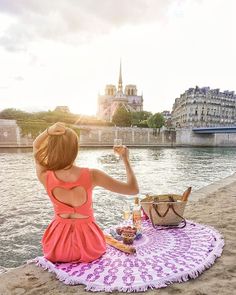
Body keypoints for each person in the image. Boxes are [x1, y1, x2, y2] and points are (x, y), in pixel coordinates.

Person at [33, 122, 139, 263]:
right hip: (89, 246)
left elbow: (36, 146)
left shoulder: (45, 177)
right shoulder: (91, 175)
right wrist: (125, 159)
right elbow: (133, 189)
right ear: (75, 149)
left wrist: (48, 131)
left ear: (51, 148)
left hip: (57, 247)